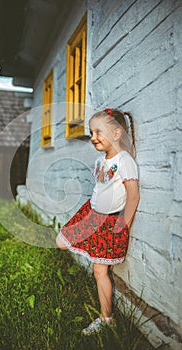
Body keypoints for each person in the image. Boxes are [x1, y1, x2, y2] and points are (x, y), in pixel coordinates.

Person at [56, 108, 140, 335]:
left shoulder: (124, 161)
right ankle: (91, 249)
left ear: (116, 133)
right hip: (90, 214)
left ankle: (106, 317)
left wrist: (124, 225)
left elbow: (133, 195)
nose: (93, 137)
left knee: (99, 270)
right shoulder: (101, 160)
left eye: (98, 132)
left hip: (109, 221)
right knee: (60, 242)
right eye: (91, 132)